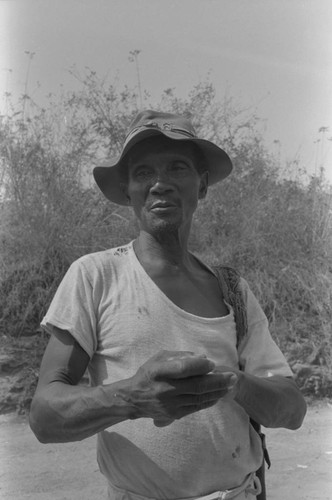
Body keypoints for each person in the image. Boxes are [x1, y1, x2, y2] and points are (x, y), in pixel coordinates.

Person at [29, 110, 307, 500]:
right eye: (143, 172)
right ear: (127, 190)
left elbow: (292, 410)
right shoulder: (95, 277)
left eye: (177, 168)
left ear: (202, 185)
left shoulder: (233, 291)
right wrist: (132, 396)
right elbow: (44, 416)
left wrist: (229, 382)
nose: (160, 184)